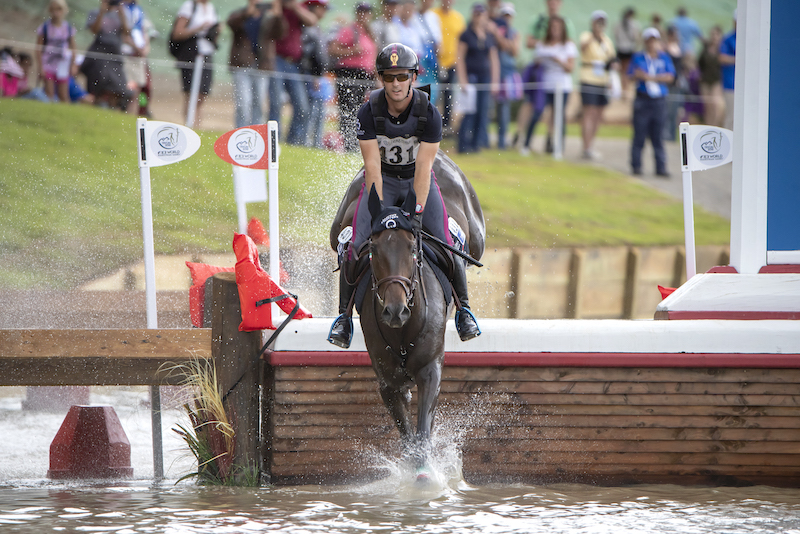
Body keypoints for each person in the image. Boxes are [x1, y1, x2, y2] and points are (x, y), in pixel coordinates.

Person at [327, 43, 480, 349]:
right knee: (351, 243)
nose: (395, 84)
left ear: (413, 77)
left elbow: (424, 168)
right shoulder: (368, 111)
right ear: (381, 79)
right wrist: (379, 210)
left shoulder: (428, 113)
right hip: (382, 179)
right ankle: (343, 318)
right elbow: (371, 166)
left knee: (446, 241)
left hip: (417, 180)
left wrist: (415, 209)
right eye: (389, 77)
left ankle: (464, 309)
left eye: (401, 77)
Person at [519, 0, 575, 154]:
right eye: (553, 27)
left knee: (559, 118)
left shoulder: (568, 46)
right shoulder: (542, 44)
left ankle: (558, 149)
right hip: (544, 85)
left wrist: (558, 60)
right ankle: (526, 144)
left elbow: (571, 67)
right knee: (537, 113)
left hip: (562, 86)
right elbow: (534, 59)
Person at [329, 2, 378, 152]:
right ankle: (348, 143)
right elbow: (333, 49)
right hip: (350, 73)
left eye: (367, 12)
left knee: (359, 109)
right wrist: (351, 51)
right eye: (362, 12)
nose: (364, 15)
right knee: (348, 109)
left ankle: (356, 142)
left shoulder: (368, 32)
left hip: (364, 76)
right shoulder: (350, 30)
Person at [268, 0, 318, 145]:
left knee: (302, 105)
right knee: (276, 103)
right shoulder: (274, 6)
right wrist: (278, 7)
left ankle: (294, 141)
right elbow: (272, 25)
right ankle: (273, 141)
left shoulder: (297, 7)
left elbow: (312, 21)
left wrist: (295, 7)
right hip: (276, 61)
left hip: (294, 64)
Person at [628, 27, 675, 177]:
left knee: (658, 136)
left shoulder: (664, 57)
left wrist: (650, 77)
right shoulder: (638, 57)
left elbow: (670, 76)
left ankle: (660, 167)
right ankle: (636, 166)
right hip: (643, 99)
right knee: (639, 134)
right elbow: (631, 74)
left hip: (659, 100)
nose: (651, 43)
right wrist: (641, 76)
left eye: (654, 40)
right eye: (649, 40)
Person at [456, 3, 499, 154]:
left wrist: (495, 81)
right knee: (469, 112)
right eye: (477, 14)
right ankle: (462, 145)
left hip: (484, 77)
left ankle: (476, 145)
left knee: (482, 111)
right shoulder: (466, 35)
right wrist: (463, 79)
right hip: (471, 77)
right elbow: (460, 58)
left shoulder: (488, 36)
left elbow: (493, 59)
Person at [171, 0, 219, 127]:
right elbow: (178, 33)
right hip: (191, 55)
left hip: (207, 54)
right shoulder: (189, 6)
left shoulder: (210, 7)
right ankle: (190, 126)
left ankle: (196, 126)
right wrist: (199, 28)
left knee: (202, 94)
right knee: (191, 93)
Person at [81, 0, 133, 111]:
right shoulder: (95, 13)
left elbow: (127, 32)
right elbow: (95, 30)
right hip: (99, 51)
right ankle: (97, 103)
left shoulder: (121, 14)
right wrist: (102, 12)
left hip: (114, 53)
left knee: (117, 83)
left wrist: (122, 14)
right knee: (99, 79)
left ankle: (113, 106)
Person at [579, 10, 616, 161]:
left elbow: (612, 58)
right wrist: (595, 35)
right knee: (589, 112)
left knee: (598, 114)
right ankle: (586, 147)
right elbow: (582, 47)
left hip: (603, 80)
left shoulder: (606, 40)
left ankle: (591, 145)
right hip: (589, 79)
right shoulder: (586, 36)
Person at [227, 0, 269, 128]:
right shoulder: (239, 14)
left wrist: (277, 14)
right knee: (243, 103)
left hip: (262, 65)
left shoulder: (268, 17)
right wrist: (247, 13)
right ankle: (240, 132)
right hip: (242, 64)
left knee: (259, 103)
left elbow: (280, 32)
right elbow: (232, 24)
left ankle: (257, 133)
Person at [301, 0, 331, 148]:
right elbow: (311, 55)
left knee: (319, 110)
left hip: (317, 76)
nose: (325, 12)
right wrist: (316, 75)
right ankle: (305, 142)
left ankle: (315, 143)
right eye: (323, 8)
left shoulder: (316, 28)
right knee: (310, 111)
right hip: (311, 76)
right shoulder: (308, 28)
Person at [432, 0, 465, 132]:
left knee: (448, 94)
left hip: (452, 62)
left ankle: (446, 124)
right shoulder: (433, 14)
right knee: (433, 92)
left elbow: (461, 41)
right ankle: (431, 120)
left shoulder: (458, 18)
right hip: (435, 62)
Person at [35, 0, 77, 103]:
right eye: (53, 9)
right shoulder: (45, 27)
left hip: (62, 65)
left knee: (63, 95)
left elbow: (73, 48)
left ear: (64, 11)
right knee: (50, 94)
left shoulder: (68, 28)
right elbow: (38, 49)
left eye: (59, 9)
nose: (56, 12)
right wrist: (40, 67)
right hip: (48, 64)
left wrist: (73, 65)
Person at [491, 2, 520, 149]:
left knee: (504, 108)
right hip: (494, 73)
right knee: (491, 108)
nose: (506, 18)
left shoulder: (512, 32)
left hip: (506, 74)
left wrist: (499, 36)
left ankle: (502, 141)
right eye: (504, 15)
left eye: (508, 15)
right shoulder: (497, 29)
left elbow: (514, 50)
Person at [122, 0, 150, 115]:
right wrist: (137, 48)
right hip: (127, 53)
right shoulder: (121, 8)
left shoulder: (138, 9)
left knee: (139, 89)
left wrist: (145, 48)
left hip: (139, 55)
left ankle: (137, 113)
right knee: (127, 88)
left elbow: (143, 30)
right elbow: (124, 33)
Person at [697, 25, 723, 126]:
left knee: (716, 105)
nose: (714, 37)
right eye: (713, 34)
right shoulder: (706, 48)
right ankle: (708, 126)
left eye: (716, 34)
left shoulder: (722, 49)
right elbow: (700, 63)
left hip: (716, 80)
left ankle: (715, 126)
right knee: (707, 106)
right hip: (705, 80)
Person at [416, 0, 442, 100]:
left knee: (432, 86)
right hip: (419, 55)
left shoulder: (434, 17)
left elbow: (438, 40)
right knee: (419, 84)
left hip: (431, 56)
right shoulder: (414, 16)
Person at [662, 25, 683, 142]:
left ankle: (672, 134)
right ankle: (665, 134)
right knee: (667, 110)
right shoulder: (664, 48)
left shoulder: (678, 48)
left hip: (676, 84)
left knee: (674, 111)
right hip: (668, 84)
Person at [613, 7, 640, 96]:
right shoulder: (634, 24)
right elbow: (636, 38)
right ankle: (625, 89)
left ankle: (623, 88)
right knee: (627, 71)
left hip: (620, 49)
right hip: (629, 49)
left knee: (622, 71)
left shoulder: (618, 24)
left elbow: (615, 36)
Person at [719, 10, 736, 131]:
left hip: (745, 85)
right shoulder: (728, 39)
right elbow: (722, 58)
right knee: (731, 116)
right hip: (731, 84)